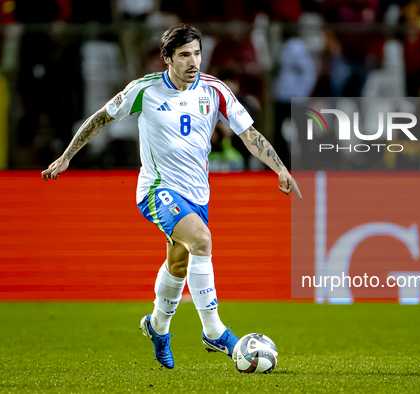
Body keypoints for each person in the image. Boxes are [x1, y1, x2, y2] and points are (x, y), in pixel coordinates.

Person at [41, 24, 302, 369]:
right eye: (184, 55)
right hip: (156, 189)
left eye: (197, 53)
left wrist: (280, 167)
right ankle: (214, 331)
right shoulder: (144, 90)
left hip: (198, 193)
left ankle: (157, 327)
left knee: (179, 262)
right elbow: (100, 118)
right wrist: (67, 156)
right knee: (202, 241)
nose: (193, 61)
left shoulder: (215, 90)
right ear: (167, 58)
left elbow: (249, 134)